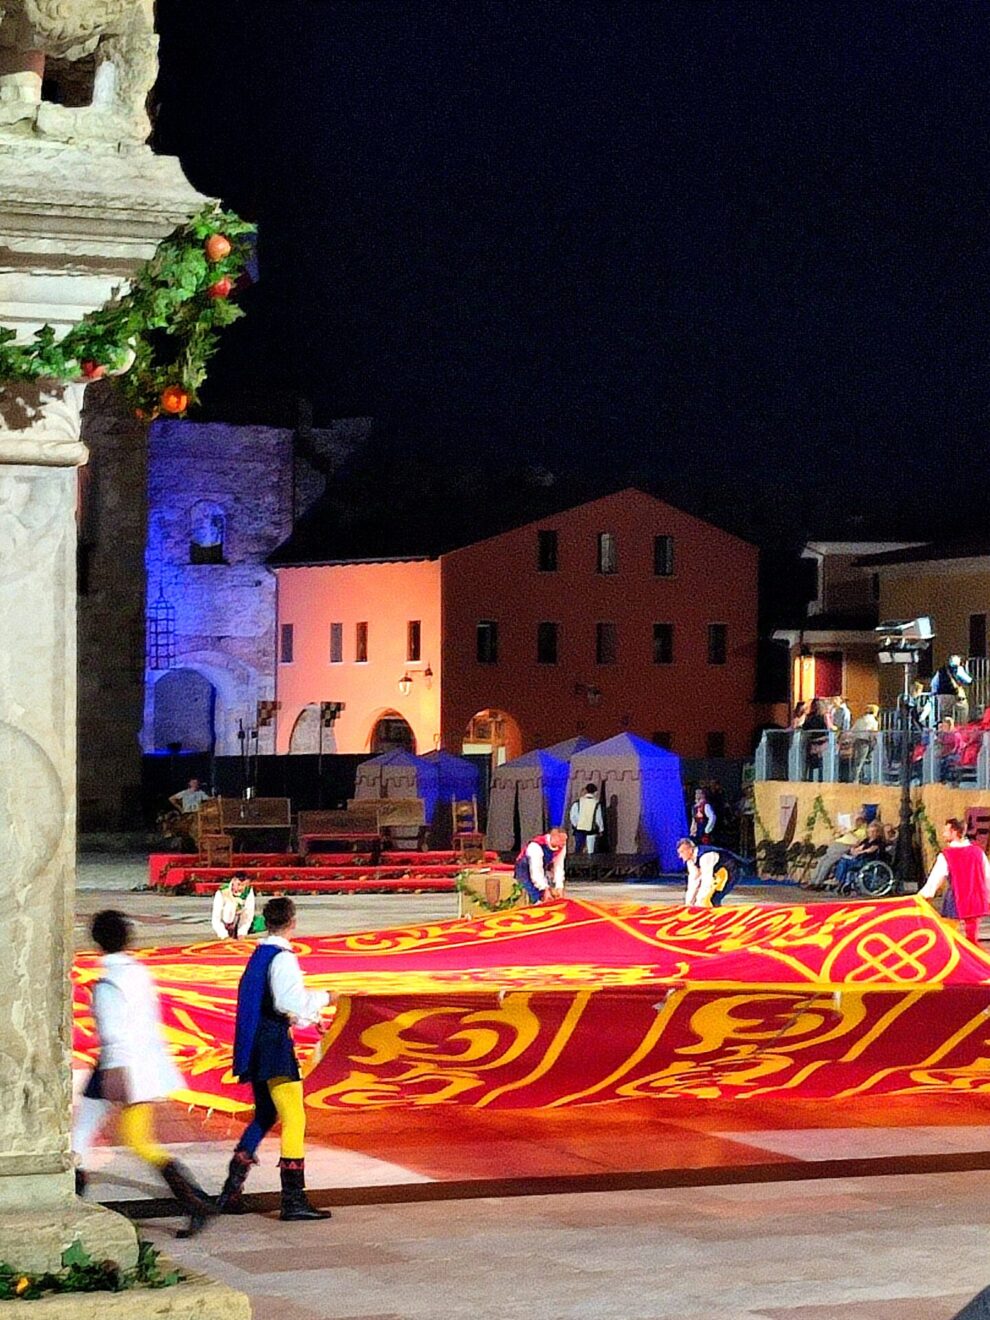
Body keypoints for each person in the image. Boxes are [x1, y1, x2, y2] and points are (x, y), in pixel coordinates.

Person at [72, 910, 215, 1238]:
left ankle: (71, 1211)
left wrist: (114, 1077)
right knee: (136, 1140)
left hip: (118, 1068)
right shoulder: (138, 972)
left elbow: (112, 1035)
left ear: (97, 942)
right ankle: (194, 1202)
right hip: (142, 1066)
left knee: (81, 1139)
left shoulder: (108, 983)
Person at [217, 897, 332, 1221]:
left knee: (266, 1113)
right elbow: (287, 1001)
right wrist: (326, 998)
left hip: (257, 1043)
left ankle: (232, 1188)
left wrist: (304, 1018)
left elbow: (273, 1003)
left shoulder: (260, 954)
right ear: (293, 922)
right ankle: (293, 1199)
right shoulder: (282, 958)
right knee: (295, 1117)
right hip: (273, 1047)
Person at [919, 818, 990, 945]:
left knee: (948, 937)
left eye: (946, 831)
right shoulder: (978, 852)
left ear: (954, 832)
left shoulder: (947, 855)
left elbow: (936, 878)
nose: (943, 834)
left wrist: (922, 896)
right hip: (974, 898)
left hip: (956, 897)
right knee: (972, 939)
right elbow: (987, 877)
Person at [804, 814, 867, 890]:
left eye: (858, 821)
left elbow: (858, 841)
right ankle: (812, 881)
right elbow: (839, 836)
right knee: (821, 861)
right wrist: (841, 832)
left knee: (827, 863)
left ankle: (818, 883)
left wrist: (849, 832)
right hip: (836, 845)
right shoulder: (855, 830)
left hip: (844, 846)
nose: (856, 823)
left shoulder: (863, 831)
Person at [676, 837, 742, 908]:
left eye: (682, 852)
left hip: (731, 872)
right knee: (705, 899)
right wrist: (688, 903)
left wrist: (699, 902)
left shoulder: (705, 857)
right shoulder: (690, 861)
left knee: (712, 898)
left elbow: (707, 880)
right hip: (718, 874)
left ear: (690, 849)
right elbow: (693, 881)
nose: (680, 856)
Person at [831, 820, 888, 895]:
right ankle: (841, 882)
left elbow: (869, 851)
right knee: (843, 860)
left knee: (844, 862)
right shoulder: (867, 840)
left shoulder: (878, 842)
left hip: (869, 861)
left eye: (874, 831)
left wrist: (859, 852)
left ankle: (840, 881)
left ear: (878, 833)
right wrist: (855, 851)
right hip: (860, 859)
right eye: (871, 831)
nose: (872, 834)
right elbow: (858, 848)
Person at [514, 827, 567, 903]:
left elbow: (559, 867)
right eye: (562, 840)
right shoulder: (536, 846)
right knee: (531, 894)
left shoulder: (561, 846)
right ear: (554, 837)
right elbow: (536, 870)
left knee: (549, 896)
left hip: (541, 867)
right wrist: (544, 889)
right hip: (524, 868)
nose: (564, 843)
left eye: (565, 840)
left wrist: (559, 887)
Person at [211, 874, 257, 940]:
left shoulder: (248, 891)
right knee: (229, 906)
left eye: (243, 885)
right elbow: (216, 918)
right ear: (233, 881)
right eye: (238, 884)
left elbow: (248, 915)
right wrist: (224, 935)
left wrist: (242, 933)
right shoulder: (222, 892)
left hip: (238, 918)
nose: (241, 888)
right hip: (225, 919)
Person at [931, 655, 972, 725]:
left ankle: (946, 730)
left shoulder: (941, 670)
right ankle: (960, 729)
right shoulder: (958, 669)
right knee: (962, 710)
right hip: (955, 694)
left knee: (945, 716)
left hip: (942, 696)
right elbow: (968, 680)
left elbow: (933, 683)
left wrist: (935, 694)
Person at [569, 784, 604, 854]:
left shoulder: (578, 802)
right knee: (591, 851)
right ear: (595, 792)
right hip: (591, 831)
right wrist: (601, 829)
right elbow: (598, 818)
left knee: (578, 850)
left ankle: (577, 864)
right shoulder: (596, 803)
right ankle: (590, 864)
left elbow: (573, 816)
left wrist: (576, 825)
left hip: (579, 830)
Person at [850, 704, 880, 784]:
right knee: (862, 761)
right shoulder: (874, 721)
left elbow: (852, 731)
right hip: (865, 742)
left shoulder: (860, 720)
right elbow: (873, 734)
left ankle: (858, 778)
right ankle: (858, 779)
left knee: (857, 761)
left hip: (857, 741)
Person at [802, 699, 830, 780]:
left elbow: (804, 728)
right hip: (823, 742)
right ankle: (820, 779)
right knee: (821, 763)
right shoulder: (824, 716)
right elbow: (829, 727)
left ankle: (810, 779)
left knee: (811, 764)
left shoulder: (809, 717)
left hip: (812, 742)